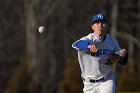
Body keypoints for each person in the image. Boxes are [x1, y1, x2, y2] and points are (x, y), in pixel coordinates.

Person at [72, 13, 128, 93]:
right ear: (93, 27)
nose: (100, 25)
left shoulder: (112, 40)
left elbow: (122, 60)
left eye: (103, 23)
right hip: (89, 83)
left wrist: (122, 54)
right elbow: (77, 44)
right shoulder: (88, 39)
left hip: (107, 79)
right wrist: (88, 46)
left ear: (107, 26)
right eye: (97, 23)